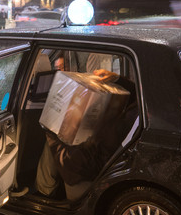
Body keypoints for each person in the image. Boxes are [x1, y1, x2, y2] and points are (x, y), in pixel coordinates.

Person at [36, 69, 138, 201]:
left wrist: (55, 137)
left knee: (54, 133)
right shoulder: (146, 106)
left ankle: (45, 193)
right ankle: (45, 190)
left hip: (91, 169)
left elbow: (85, 160)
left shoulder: (128, 123)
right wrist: (117, 79)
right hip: (96, 153)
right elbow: (138, 92)